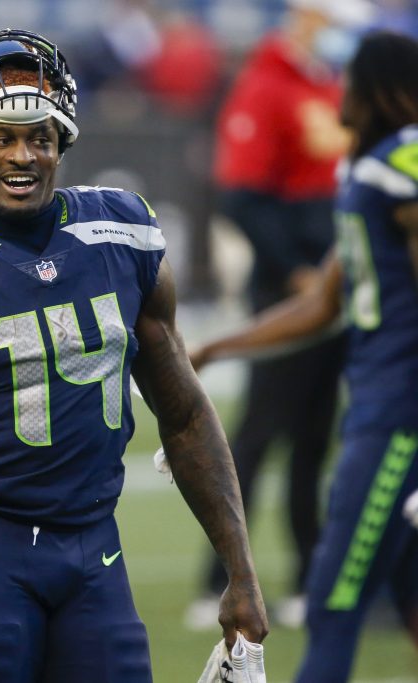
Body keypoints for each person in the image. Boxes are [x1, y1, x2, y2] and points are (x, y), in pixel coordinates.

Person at [0, 29, 268, 683]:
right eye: (0, 137)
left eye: (40, 137)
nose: (24, 155)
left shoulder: (119, 234)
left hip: (94, 544)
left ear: (62, 142)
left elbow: (184, 415)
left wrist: (241, 573)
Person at [191, 31, 418, 682]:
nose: (338, 92)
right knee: (407, 597)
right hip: (382, 405)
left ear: (381, 87)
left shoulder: (400, 161)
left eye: (351, 80)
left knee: (332, 604)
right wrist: (217, 346)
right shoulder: (366, 167)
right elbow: (323, 301)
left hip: (397, 415)